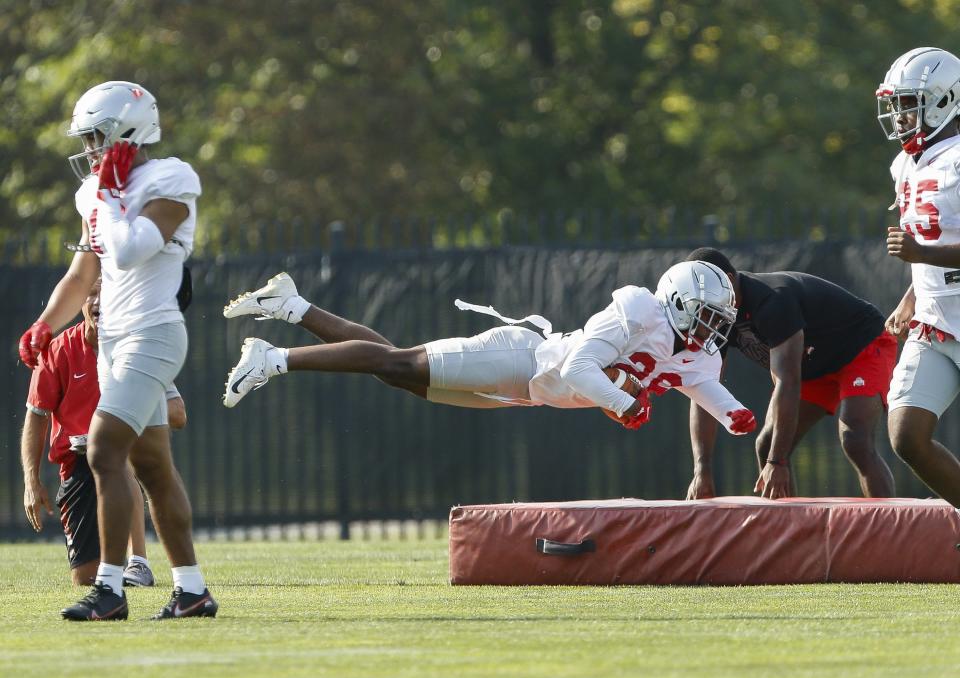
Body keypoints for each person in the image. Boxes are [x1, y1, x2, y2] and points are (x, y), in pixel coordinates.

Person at [17, 81, 216, 620]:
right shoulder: (94, 193)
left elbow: (127, 253)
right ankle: (192, 590)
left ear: (126, 132)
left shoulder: (171, 177)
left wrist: (107, 192)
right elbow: (86, 272)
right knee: (152, 465)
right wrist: (45, 323)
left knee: (103, 450)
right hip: (112, 339)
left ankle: (110, 590)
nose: (89, 150)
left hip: (153, 333)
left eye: (96, 137)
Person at [220, 262, 758, 447]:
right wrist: (623, 401)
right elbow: (577, 368)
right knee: (396, 363)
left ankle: (290, 304)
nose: (714, 329)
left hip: (528, 395)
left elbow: (697, 381)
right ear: (679, 302)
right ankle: (273, 357)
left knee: (394, 369)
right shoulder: (638, 311)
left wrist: (729, 411)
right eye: (709, 315)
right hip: (526, 360)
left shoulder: (697, 350)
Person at [683, 248, 898, 501]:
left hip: (861, 347)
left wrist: (779, 461)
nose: (703, 304)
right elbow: (704, 387)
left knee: (855, 440)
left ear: (728, 280)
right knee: (766, 446)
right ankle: (797, 538)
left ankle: (891, 535)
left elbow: (788, 380)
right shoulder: (717, 314)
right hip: (815, 364)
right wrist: (702, 469)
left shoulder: (772, 299)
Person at [21, 281, 186, 586]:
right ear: (78, 302)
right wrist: (31, 480)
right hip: (77, 464)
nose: (97, 301)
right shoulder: (57, 350)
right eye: (91, 293)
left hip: (123, 452)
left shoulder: (136, 347)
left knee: (116, 450)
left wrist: (132, 409)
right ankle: (113, 562)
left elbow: (177, 413)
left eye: (105, 292)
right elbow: (36, 416)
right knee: (85, 579)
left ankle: (138, 562)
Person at [878, 47, 960, 507]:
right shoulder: (905, 164)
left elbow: (924, 244)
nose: (899, 114)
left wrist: (922, 252)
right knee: (907, 435)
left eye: (909, 102)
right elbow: (930, 235)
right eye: (896, 103)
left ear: (945, 99)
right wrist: (911, 294)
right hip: (936, 319)